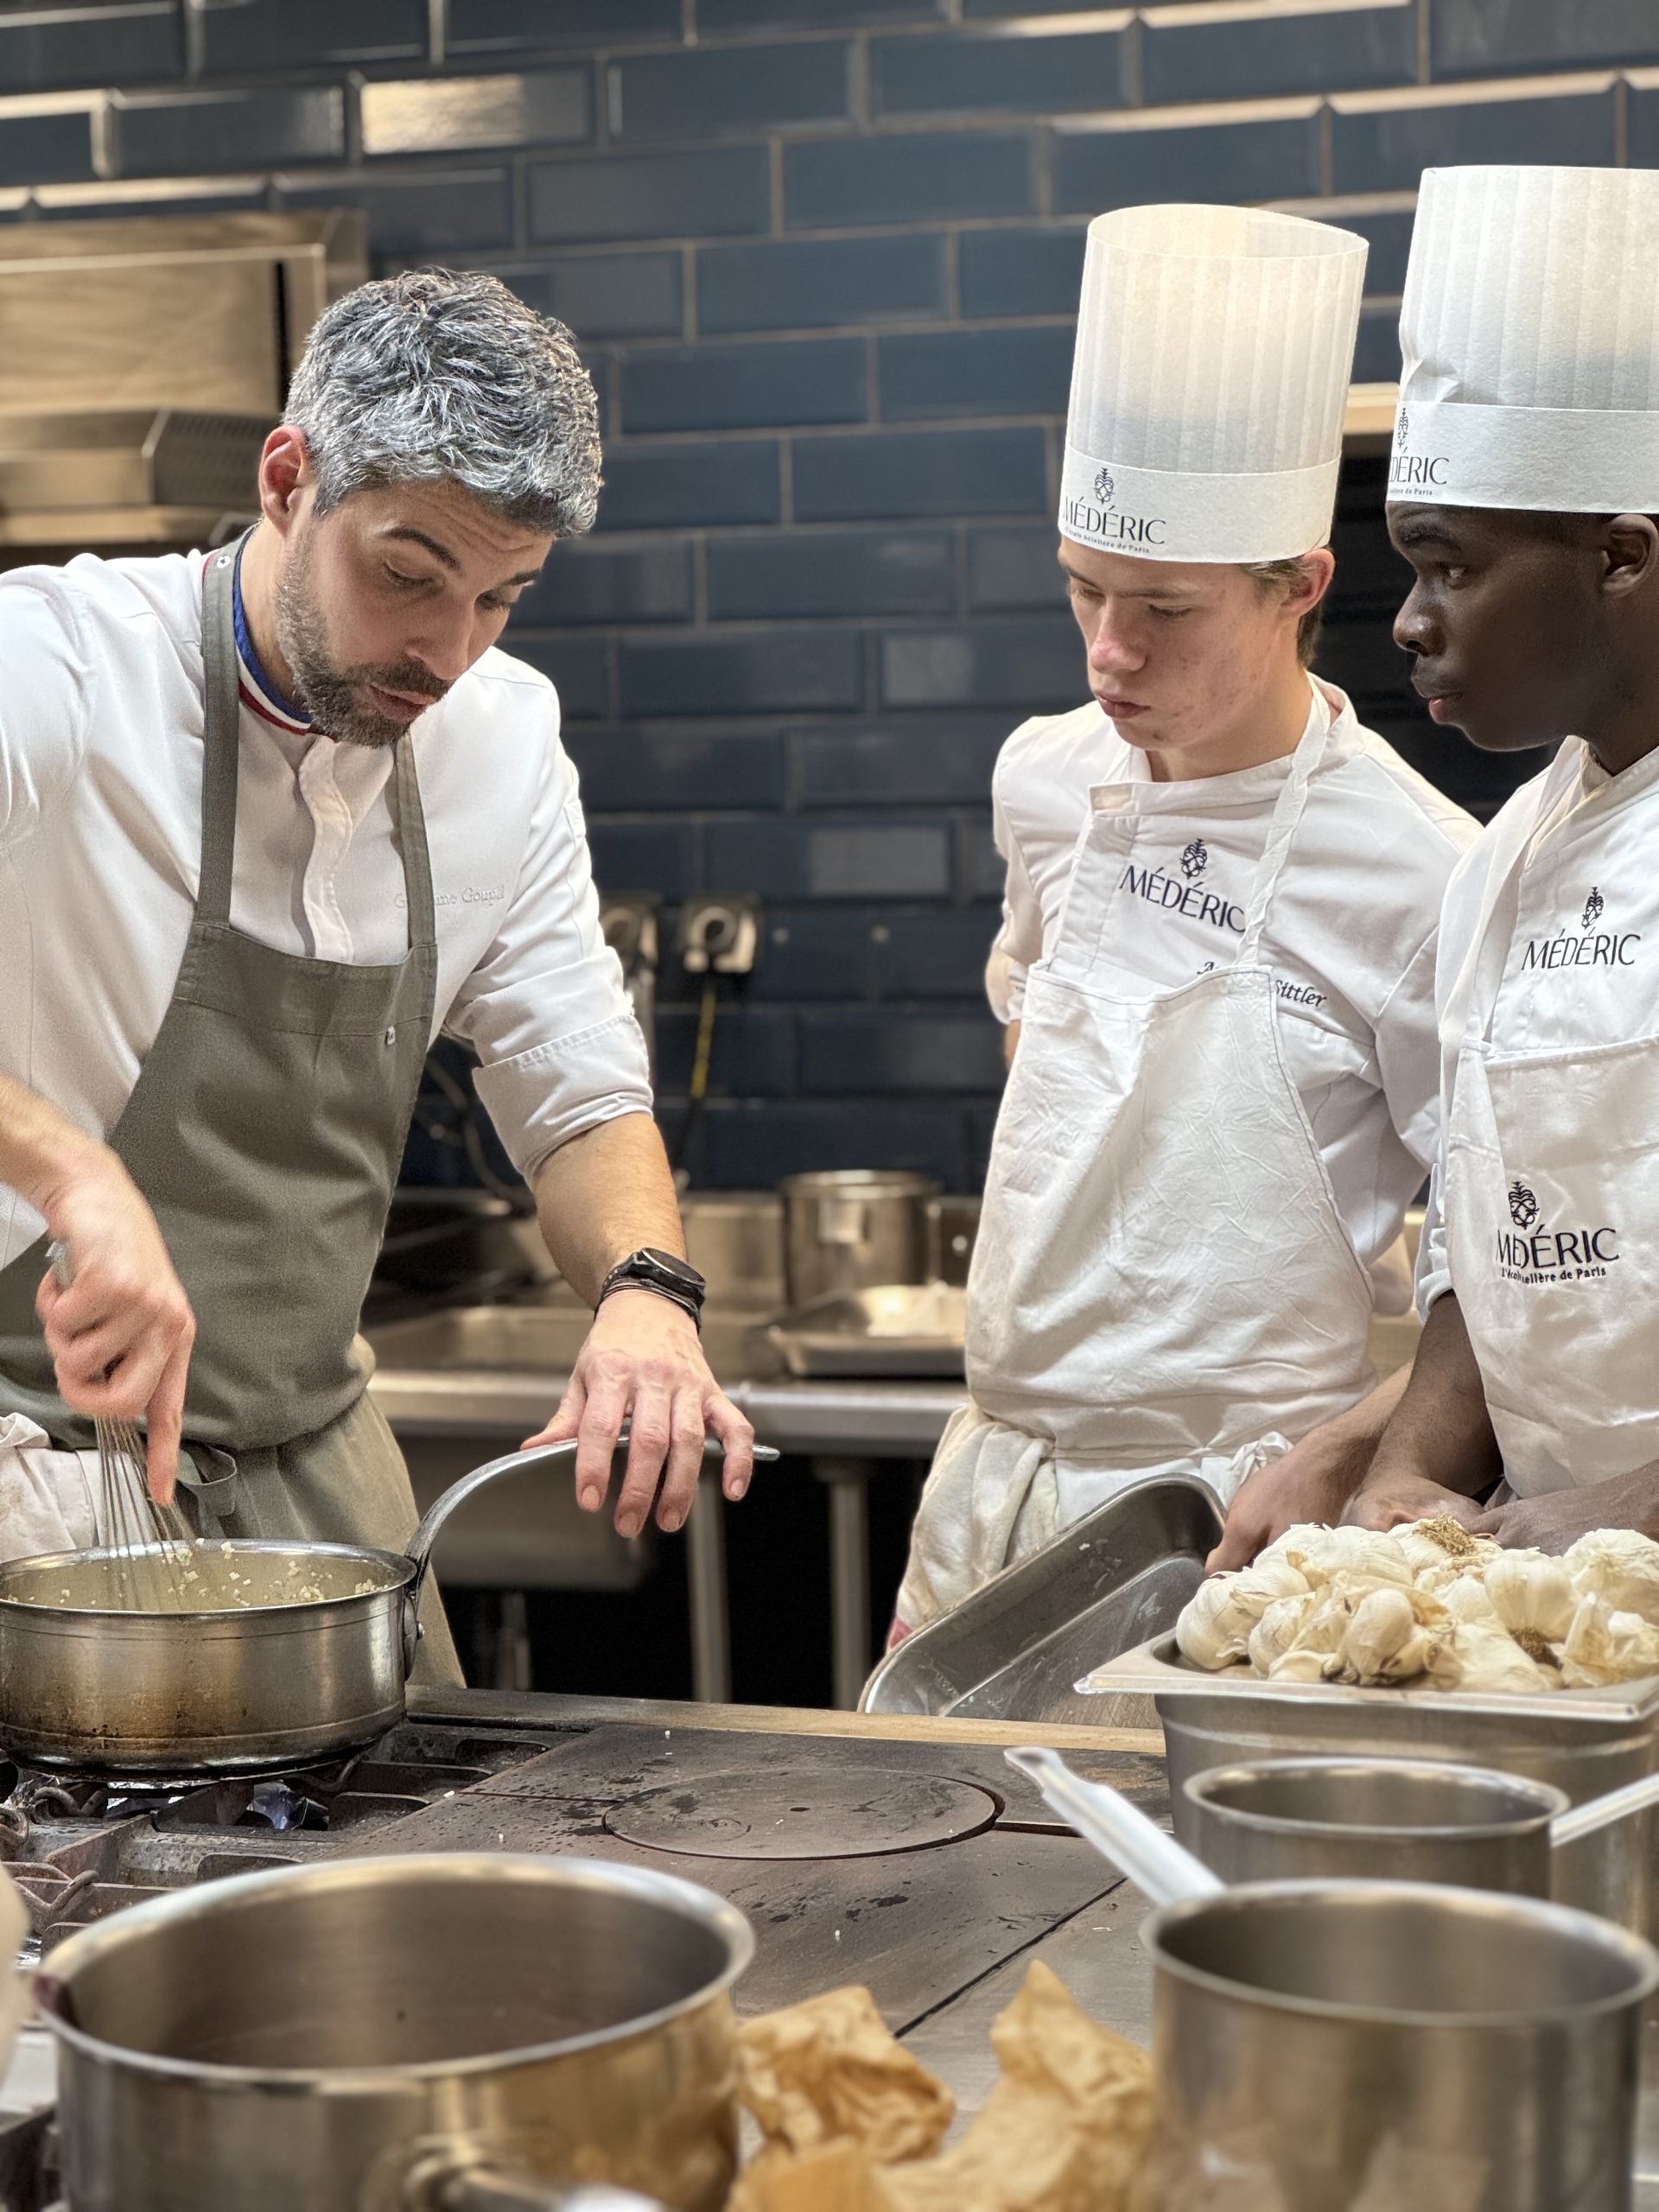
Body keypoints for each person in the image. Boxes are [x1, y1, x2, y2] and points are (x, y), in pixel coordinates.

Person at [0, 270, 753, 1675]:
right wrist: (75, 1177)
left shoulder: (503, 740)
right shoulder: (57, 669)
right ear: (288, 478)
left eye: (501, 599)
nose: (448, 651)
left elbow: (575, 1078)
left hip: (322, 1491)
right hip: (39, 1471)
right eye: (407, 576)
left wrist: (648, 1290)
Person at [891, 203, 1478, 1637]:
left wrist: (1355, 1447)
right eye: (1084, 590)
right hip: (988, 1504)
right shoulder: (1044, 781)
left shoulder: (1423, 871)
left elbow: (1500, 1274)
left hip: (1237, 1535)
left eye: (1163, 607)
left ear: (1301, 589)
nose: (1108, 653)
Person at [1326, 164, 1659, 1552]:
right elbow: (1491, 1239)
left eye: (1447, 565)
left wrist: (1624, 1516)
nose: (1407, 622)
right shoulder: (1506, 856)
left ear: (1622, 559)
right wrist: (1411, 1471)